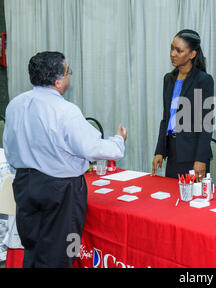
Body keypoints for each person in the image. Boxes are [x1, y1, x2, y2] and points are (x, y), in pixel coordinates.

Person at [3, 51, 127, 268]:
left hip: (24, 184)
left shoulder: (16, 104)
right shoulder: (65, 110)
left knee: (33, 247)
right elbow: (92, 148)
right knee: (60, 254)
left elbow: (10, 146)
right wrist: (118, 141)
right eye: (68, 71)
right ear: (59, 80)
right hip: (60, 190)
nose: (70, 76)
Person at [152, 29, 214, 182]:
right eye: (172, 48)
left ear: (192, 54)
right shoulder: (169, 79)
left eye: (179, 51)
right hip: (172, 152)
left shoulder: (203, 80)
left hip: (193, 155)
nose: (173, 53)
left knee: (192, 202)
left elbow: (207, 123)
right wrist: (159, 151)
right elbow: (166, 118)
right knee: (171, 200)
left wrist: (201, 159)